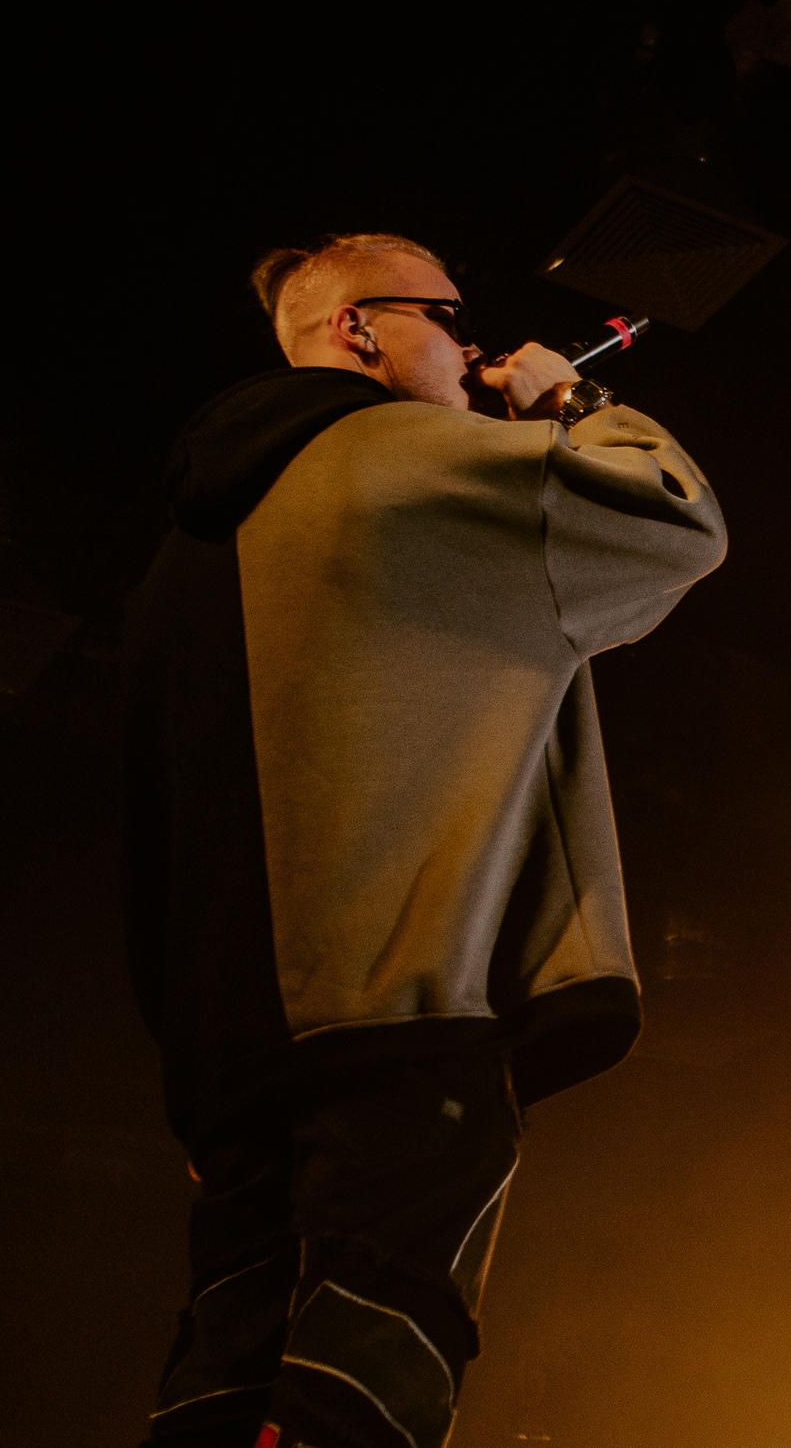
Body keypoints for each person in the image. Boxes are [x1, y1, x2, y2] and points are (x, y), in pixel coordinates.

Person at [123, 233, 726, 1448]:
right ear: (359, 328)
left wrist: (200, 1075)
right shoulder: (413, 460)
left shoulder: (175, 566)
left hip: (233, 1062)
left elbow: (151, 844)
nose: (471, 345)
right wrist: (569, 401)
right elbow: (672, 520)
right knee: (363, 1378)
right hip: (403, 1018)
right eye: (447, 317)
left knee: (222, 1382)